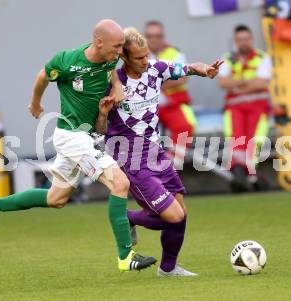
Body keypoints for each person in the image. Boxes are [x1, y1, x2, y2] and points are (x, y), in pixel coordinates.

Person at [0, 19, 157, 272]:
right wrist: (35, 103)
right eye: (116, 47)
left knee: (56, 198)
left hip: (85, 137)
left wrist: (116, 87)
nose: (120, 53)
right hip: (73, 136)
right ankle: (126, 257)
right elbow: (42, 76)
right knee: (120, 183)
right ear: (98, 42)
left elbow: (112, 72)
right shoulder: (67, 61)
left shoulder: (110, 57)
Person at [96, 27, 222, 276]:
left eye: (146, 55)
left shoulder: (155, 69)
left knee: (181, 213)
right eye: (139, 58)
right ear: (125, 57)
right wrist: (102, 113)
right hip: (129, 157)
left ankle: (168, 269)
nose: (146, 61)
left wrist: (204, 70)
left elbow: (187, 68)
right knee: (172, 216)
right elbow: (100, 129)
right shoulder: (113, 83)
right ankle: (128, 217)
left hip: (155, 152)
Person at [218, 24, 272, 191]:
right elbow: (223, 83)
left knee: (254, 141)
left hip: (258, 106)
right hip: (234, 107)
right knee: (236, 139)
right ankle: (247, 176)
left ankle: (244, 176)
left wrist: (236, 84)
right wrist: (247, 82)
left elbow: (261, 83)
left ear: (252, 39)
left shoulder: (262, 57)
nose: (243, 42)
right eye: (240, 39)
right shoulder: (227, 58)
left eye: (246, 39)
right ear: (235, 41)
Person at [144, 21, 197, 165]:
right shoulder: (138, 55)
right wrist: (165, 80)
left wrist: (153, 82)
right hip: (145, 107)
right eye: (149, 36)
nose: (153, 39)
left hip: (172, 104)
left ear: (163, 37)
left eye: (157, 35)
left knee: (186, 126)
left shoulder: (175, 54)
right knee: (139, 134)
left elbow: (182, 78)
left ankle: (171, 163)